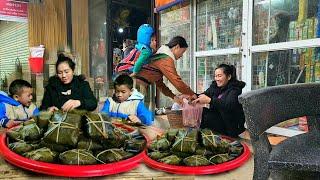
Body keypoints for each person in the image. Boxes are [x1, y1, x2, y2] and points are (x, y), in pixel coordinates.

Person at [135, 36, 197, 104]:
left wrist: (174, 97)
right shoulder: (166, 59)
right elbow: (176, 81)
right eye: (182, 52)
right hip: (137, 85)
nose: (182, 55)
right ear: (177, 47)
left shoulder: (160, 54)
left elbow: (160, 84)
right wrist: (192, 94)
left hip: (138, 84)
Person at [192, 64, 246, 137]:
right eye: (215, 76)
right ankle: (201, 136)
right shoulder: (215, 87)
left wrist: (210, 100)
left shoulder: (235, 89)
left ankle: (204, 136)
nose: (216, 79)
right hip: (219, 119)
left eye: (219, 76)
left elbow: (228, 105)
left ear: (229, 77)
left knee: (208, 117)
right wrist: (193, 96)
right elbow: (205, 95)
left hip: (230, 125)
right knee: (202, 111)